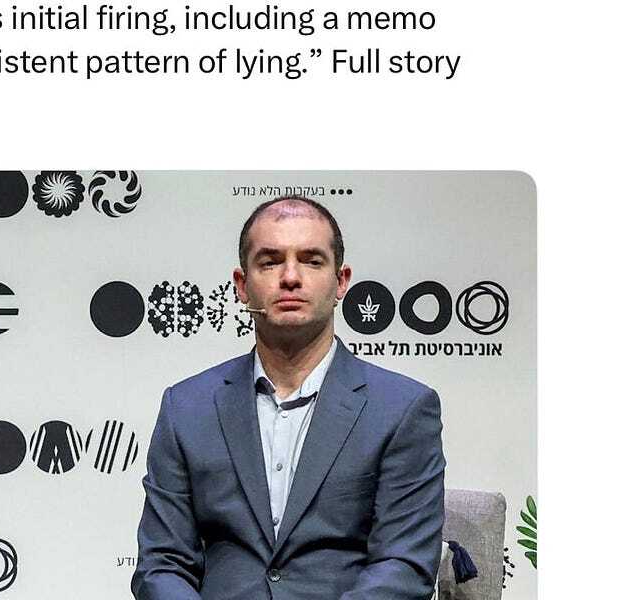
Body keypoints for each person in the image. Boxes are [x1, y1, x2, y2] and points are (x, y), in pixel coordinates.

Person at [132, 196, 445, 599]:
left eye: (312, 261)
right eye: (270, 262)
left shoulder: (402, 409)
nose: (291, 277)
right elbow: (162, 564)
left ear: (341, 281)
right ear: (242, 286)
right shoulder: (187, 407)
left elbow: (403, 566)